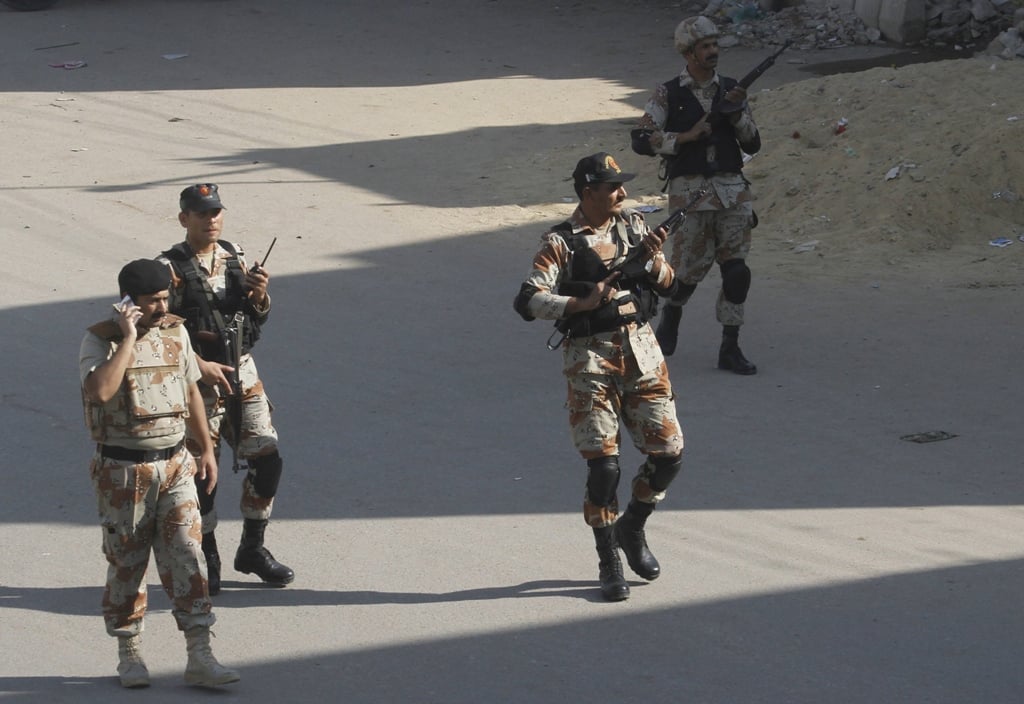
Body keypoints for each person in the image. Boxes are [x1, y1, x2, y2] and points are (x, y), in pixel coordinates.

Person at [513, 153, 686, 601]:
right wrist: (578, 306)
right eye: (612, 187)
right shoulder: (562, 242)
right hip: (590, 362)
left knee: (668, 454)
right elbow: (528, 300)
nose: (622, 193)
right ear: (588, 193)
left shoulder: (634, 228)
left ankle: (634, 524)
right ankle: (608, 556)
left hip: (642, 354)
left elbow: (671, 285)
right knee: (603, 467)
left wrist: (649, 263)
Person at [80, 259, 240, 688]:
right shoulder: (101, 340)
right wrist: (129, 338)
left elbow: (189, 388)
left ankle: (200, 655)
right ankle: (129, 652)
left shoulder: (175, 331)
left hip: (174, 464)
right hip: (123, 473)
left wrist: (206, 449)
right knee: (127, 562)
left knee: (189, 556)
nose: (162, 306)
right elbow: (101, 391)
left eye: (164, 298)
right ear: (129, 302)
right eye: (153, 301)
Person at [157, 183, 294, 595]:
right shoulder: (169, 269)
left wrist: (260, 295)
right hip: (197, 382)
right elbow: (158, 330)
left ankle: (252, 547)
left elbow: (255, 316)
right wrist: (197, 364)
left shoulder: (233, 255)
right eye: (201, 213)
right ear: (184, 219)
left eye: (215, 211)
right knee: (204, 471)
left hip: (242, 372)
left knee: (266, 458)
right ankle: (209, 555)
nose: (210, 219)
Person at [632, 15, 762, 374]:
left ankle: (730, 347)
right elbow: (641, 138)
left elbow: (753, 142)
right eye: (705, 46)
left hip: (733, 191)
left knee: (737, 272)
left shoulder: (731, 89)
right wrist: (684, 138)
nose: (713, 52)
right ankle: (672, 314)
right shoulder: (669, 93)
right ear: (689, 53)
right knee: (687, 273)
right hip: (690, 193)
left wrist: (737, 115)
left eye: (715, 45)